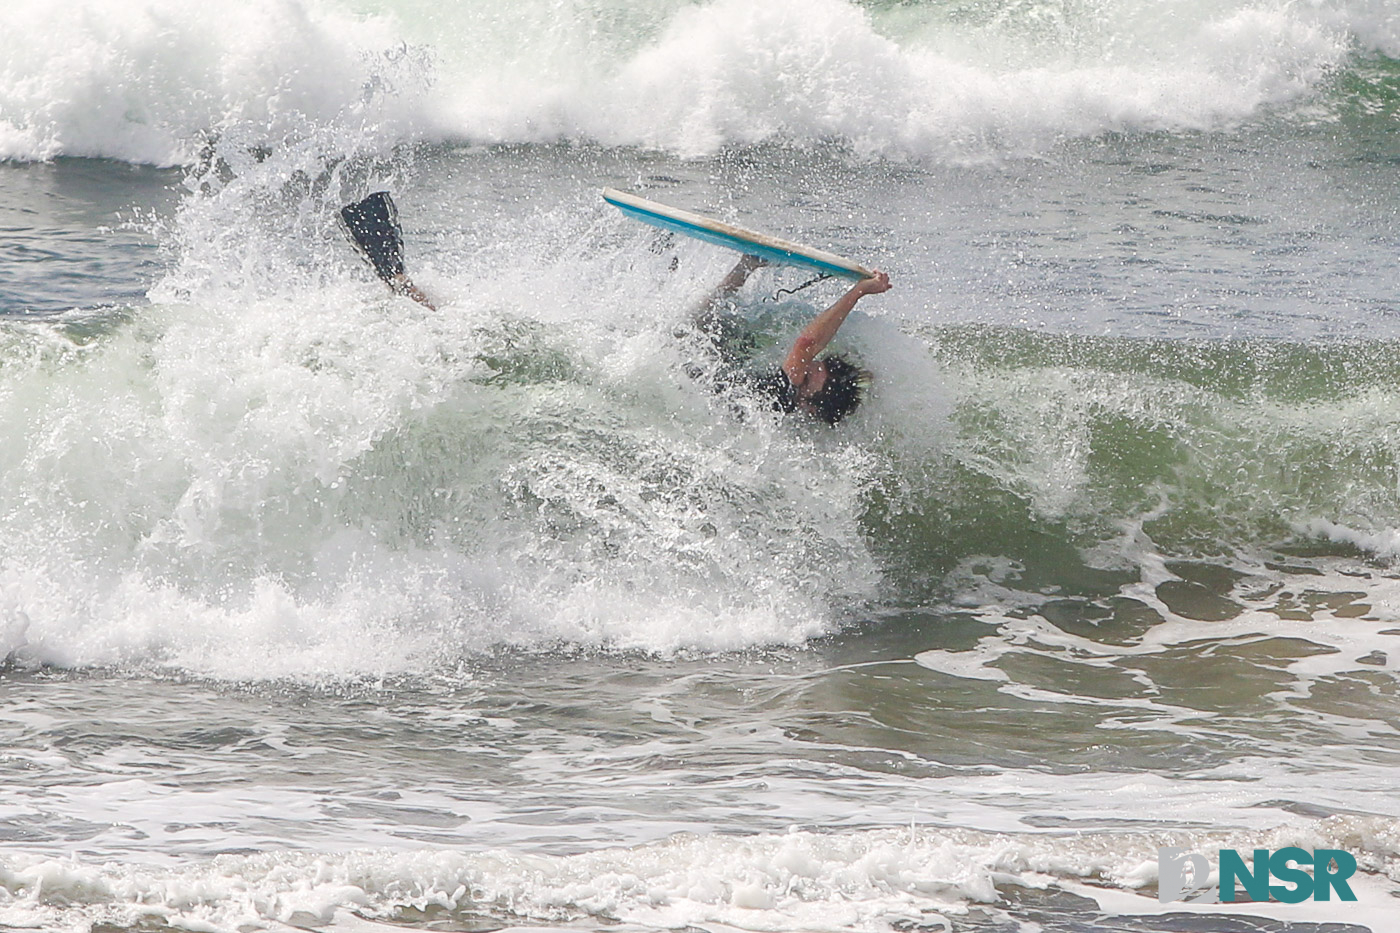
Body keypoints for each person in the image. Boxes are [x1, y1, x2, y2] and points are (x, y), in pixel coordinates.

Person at [690, 254, 891, 425]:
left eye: (806, 379)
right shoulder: (787, 414)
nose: (801, 373)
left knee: (704, 322)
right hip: (708, 401)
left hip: (689, 372)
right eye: (813, 366)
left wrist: (859, 291)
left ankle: (747, 265)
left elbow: (805, 344)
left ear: (810, 406)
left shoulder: (784, 394)